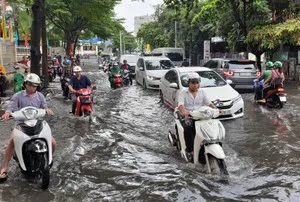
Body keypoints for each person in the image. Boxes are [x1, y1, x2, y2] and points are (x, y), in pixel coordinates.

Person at [0, 73, 55, 181]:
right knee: (12, 141)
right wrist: (7, 113)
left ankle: (48, 158)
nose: (32, 87)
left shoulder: (40, 96)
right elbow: (10, 108)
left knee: (53, 142)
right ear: (25, 84)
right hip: (21, 124)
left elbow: (44, 108)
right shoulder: (18, 96)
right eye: (30, 84)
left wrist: (48, 110)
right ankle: (4, 168)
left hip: (37, 123)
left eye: (34, 85)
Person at [177, 72, 217, 162]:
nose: (195, 85)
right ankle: (190, 150)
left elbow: (209, 103)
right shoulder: (183, 92)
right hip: (188, 116)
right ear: (188, 83)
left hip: (200, 116)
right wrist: (184, 112)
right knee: (188, 128)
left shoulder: (202, 92)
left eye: (197, 82)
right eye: (193, 83)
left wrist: (216, 109)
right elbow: (180, 104)